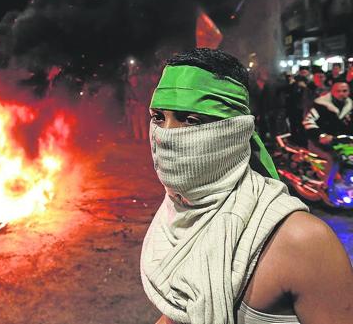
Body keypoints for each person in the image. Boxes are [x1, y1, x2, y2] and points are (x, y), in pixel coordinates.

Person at [141, 48, 353, 324]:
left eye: (191, 120)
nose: (166, 136)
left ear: (234, 130)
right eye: (158, 117)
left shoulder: (303, 241)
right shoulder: (174, 214)